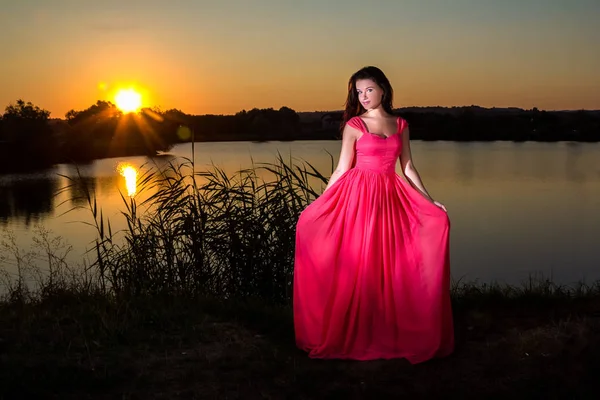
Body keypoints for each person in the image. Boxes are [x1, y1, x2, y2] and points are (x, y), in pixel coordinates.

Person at [293, 66, 454, 364]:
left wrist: (431, 201)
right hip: (358, 197)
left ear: (383, 89)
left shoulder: (401, 124)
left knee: (389, 263)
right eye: (358, 92)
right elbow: (342, 169)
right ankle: (353, 329)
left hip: (390, 197)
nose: (363, 96)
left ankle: (388, 327)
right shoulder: (354, 124)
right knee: (359, 262)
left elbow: (407, 168)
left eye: (368, 90)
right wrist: (319, 203)